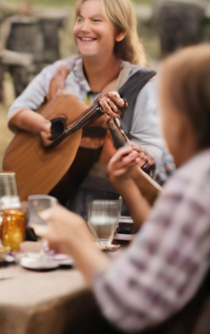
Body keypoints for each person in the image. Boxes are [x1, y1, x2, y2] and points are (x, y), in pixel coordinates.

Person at [40, 44, 210, 333]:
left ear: (183, 120)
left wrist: (75, 238)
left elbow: (130, 305)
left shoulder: (197, 182)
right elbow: (164, 247)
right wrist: (127, 185)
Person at [8, 0, 168, 214]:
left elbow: (155, 147)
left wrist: (138, 155)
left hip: (113, 205)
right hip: (52, 193)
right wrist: (44, 126)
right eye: (80, 19)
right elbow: (16, 112)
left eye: (95, 20)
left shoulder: (139, 84)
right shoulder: (58, 72)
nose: (84, 27)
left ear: (120, 32)